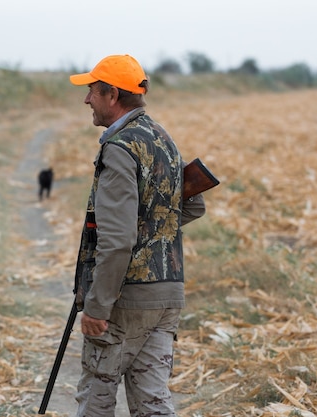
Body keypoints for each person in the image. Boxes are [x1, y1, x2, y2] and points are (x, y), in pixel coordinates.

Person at [69, 54, 206, 417]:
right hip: (168, 294)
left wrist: (98, 306)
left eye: (91, 93)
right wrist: (152, 232)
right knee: (152, 403)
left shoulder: (119, 148)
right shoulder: (162, 138)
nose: (86, 100)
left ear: (111, 95)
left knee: (96, 398)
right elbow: (192, 207)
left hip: (126, 300)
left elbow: (117, 241)